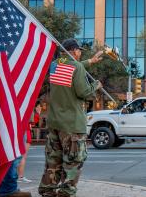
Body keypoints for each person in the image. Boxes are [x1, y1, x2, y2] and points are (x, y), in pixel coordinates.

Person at [38, 39, 103, 197]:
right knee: (73, 162)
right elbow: (84, 92)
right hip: (72, 125)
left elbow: (73, 68)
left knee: (53, 161)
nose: (80, 53)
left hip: (54, 123)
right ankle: (66, 193)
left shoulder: (55, 65)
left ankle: (48, 192)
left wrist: (90, 62)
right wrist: (96, 85)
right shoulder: (77, 67)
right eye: (79, 51)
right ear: (73, 51)